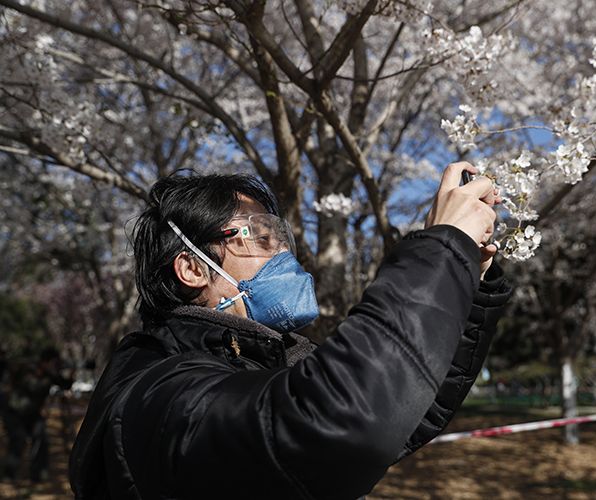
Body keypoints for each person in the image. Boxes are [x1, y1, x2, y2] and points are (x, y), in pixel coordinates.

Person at [69, 163, 512, 499]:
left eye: (279, 236)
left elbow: (406, 406)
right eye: (257, 237)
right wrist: (442, 246)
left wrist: (467, 280)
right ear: (191, 268)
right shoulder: (161, 396)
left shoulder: (256, 363)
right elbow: (342, 422)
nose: (282, 251)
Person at [2, 346, 71, 482]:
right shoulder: (30, 367)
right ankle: (9, 474)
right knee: (18, 439)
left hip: (32, 414)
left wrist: (70, 374)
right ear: (46, 361)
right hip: (14, 411)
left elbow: (65, 385)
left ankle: (38, 474)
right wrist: (51, 375)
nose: (56, 366)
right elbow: (33, 386)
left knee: (41, 438)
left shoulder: (49, 374)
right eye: (54, 363)